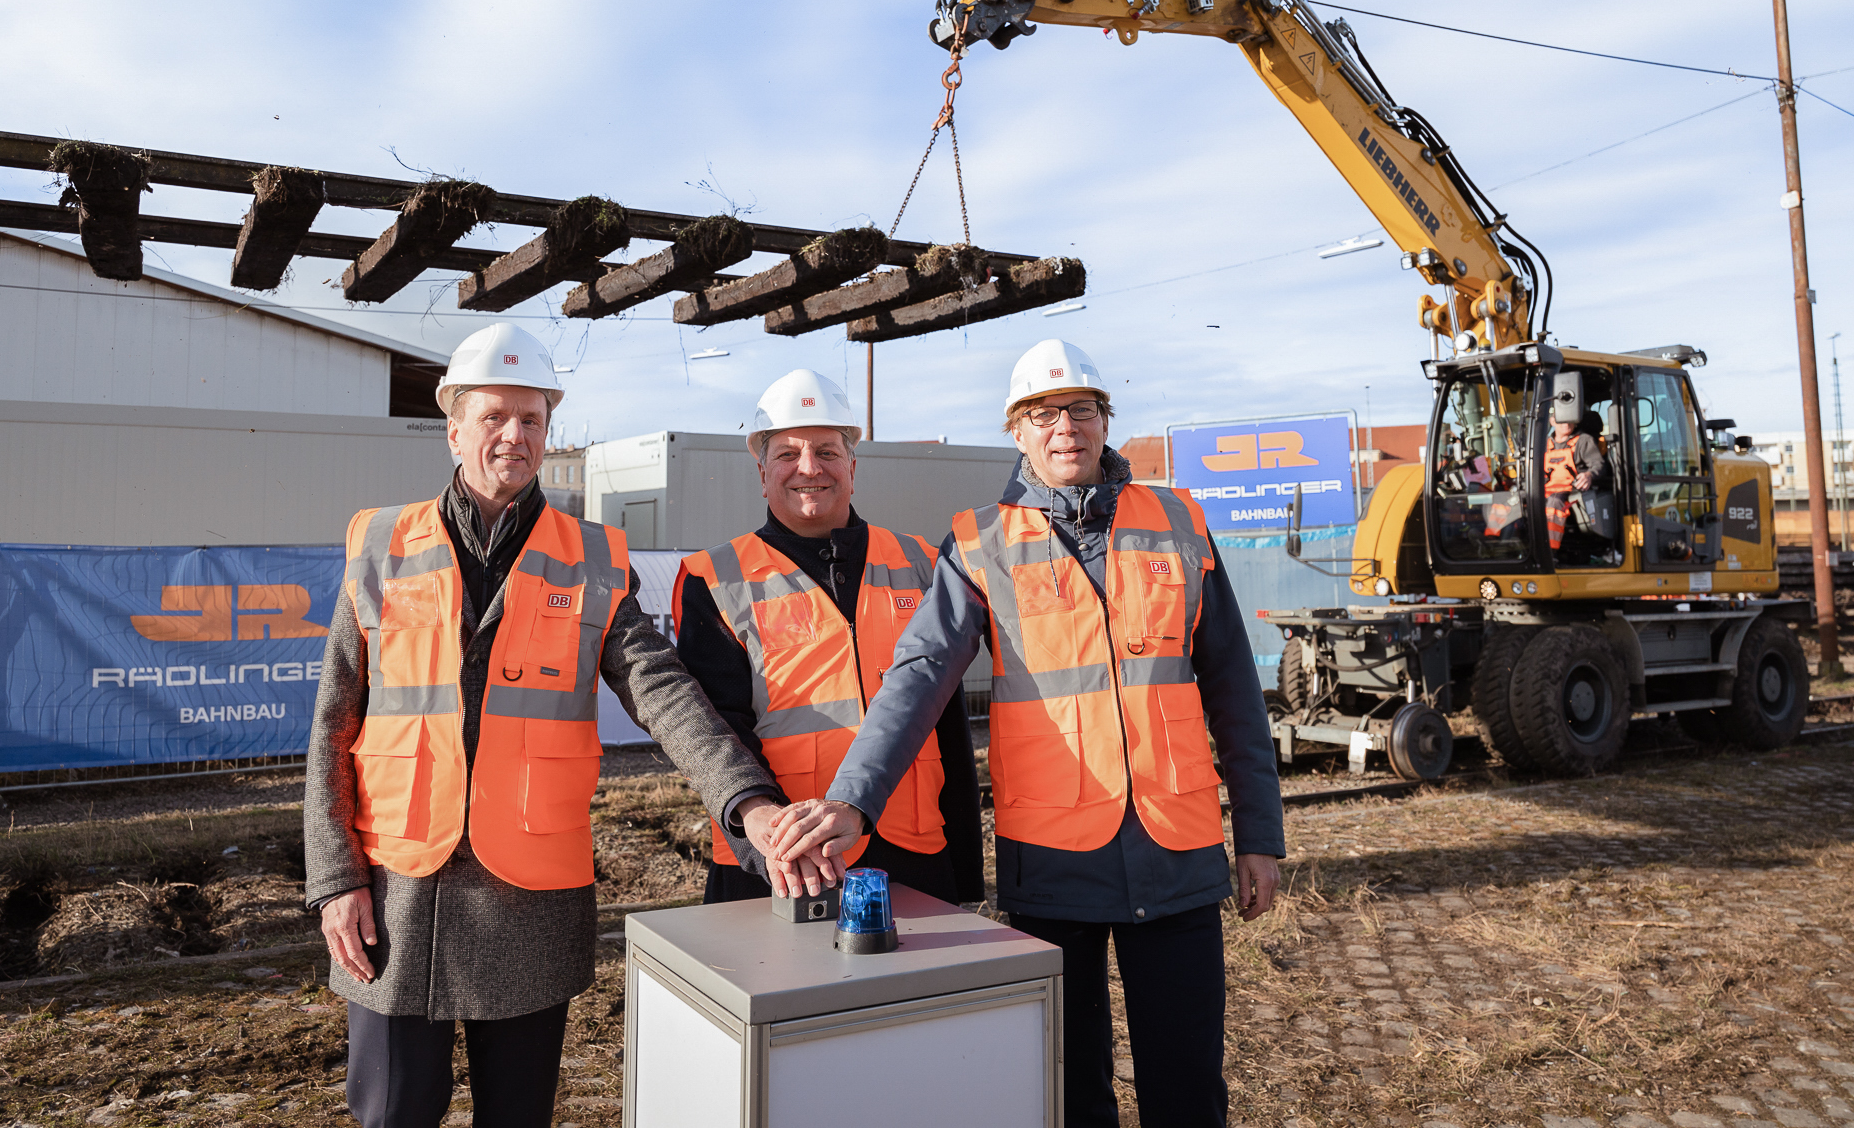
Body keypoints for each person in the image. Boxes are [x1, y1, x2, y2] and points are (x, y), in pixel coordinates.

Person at [765, 338, 1287, 1128]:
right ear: (1016, 431)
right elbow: (918, 678)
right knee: (1069, 1096)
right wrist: (852, 801)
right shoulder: (981, 543)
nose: (1064, 427)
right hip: (1054, 866)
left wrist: (1260, 834)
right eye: (1042, 414)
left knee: (1188, 1093)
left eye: (1080, 409)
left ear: (1106, 420)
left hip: (1177, 855)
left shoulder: (1178, 523)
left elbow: (1235, 691)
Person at [304, 323, 813, 1128]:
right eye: (494, 416)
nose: (514, 434)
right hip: (396, 891)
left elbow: (664, 691)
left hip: (529, 900)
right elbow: (334, 722)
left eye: (532, 418)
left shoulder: (590, 557)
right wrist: (335, 880)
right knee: (393, 1112)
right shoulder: (382, 545)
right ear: (453, 428)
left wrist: (749, 804)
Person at [673, 368, 983, 905]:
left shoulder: (921, 562)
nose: (809, 468)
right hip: (783, 858)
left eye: (826, 452)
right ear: (762, 473)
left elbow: (948, 725)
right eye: (788, 454)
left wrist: (965, 872)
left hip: (914, 850)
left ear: (853, 467)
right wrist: (761, 828)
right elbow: (716, 729)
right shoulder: (715, 579)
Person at [1544, 408, 1608, 559]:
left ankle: (1549, 553)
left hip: (1571, 490)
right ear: (1552, 421)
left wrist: (1589, 475)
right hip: (1546, 488)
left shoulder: (1583, 440)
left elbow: (1598, 465)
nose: (1566, 423)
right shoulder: (1544, 444)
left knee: (1554, 503)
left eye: (1570, 419)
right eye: (1561, 419)